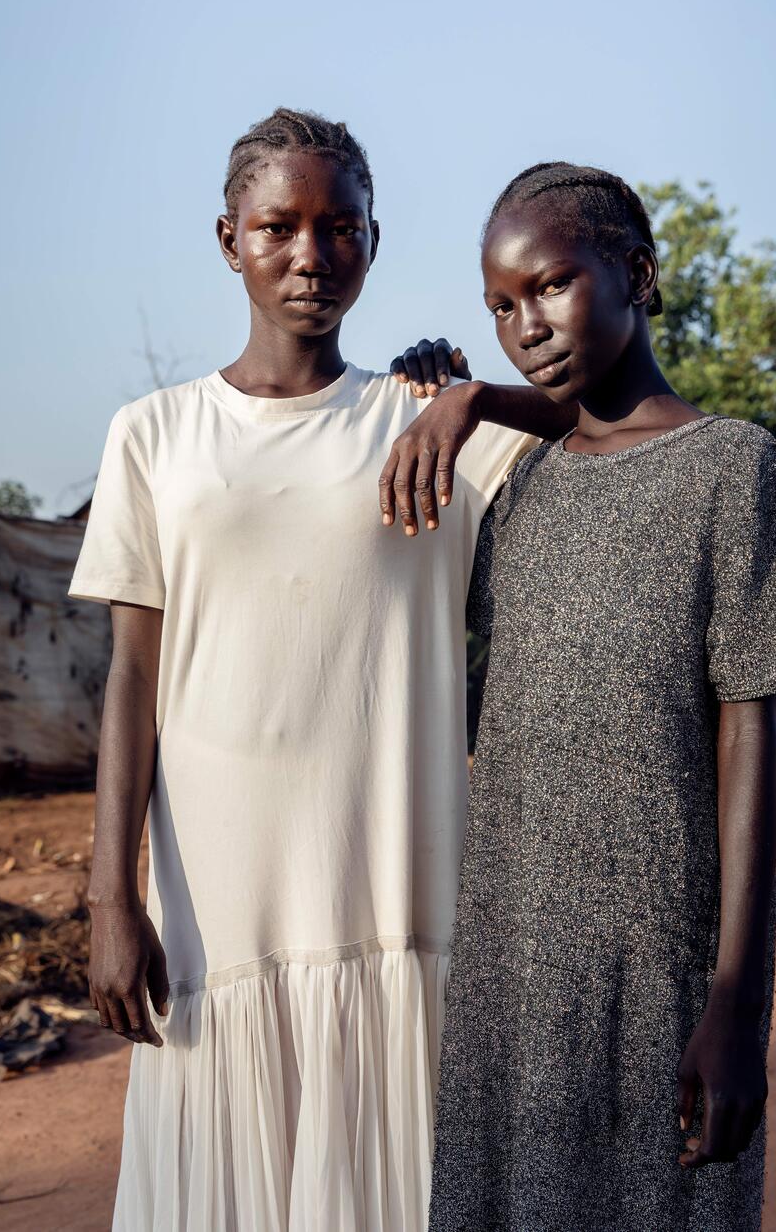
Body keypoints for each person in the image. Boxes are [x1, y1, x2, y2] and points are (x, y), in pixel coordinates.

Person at [69, 110, 566, 1232]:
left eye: (339, 226)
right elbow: (132, 681)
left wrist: (476, 395)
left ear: (373, 243)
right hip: (219, 913)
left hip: (394, 899)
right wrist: (109, 895)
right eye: (279, 226)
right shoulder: (154, 435)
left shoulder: (424, 426)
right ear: (228, 237)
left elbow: (610, 424)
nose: (310, 254)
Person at [383, 164, 776, 1231]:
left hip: (658, 969)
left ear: (635, 272)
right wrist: (467, 397)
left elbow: (749, 751)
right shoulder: (526, 490)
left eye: (547, 286)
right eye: (500, 307)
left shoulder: (734, 469)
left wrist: (739, 1004)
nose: (523, 325)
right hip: (510, 966)